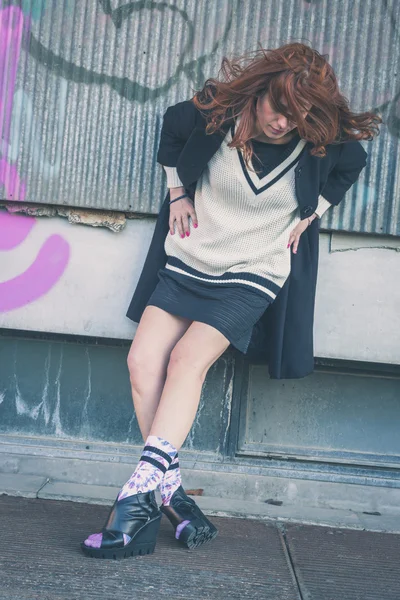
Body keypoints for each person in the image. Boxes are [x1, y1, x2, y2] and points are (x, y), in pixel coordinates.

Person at [81, 43, 380, 559]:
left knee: (185, 361)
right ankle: (169, 494)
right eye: (279, 109)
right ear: (259, 93)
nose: (286, 123)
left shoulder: (319, 142)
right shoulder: (218, 111)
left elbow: (354, 160)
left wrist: (313, 212)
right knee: (140, 361)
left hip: (254, 270)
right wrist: (177, 192)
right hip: (191, 257)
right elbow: (172, 129)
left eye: (302, 115)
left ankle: (134, 503)